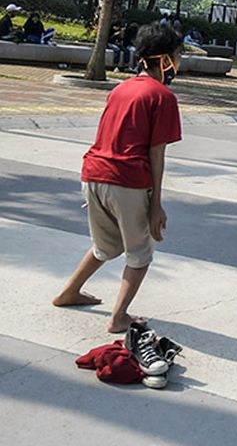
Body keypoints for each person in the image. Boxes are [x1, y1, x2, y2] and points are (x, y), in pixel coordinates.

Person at [51, 24, 184, 334]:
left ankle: (68, 293)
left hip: (93, 174)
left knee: (105, 246)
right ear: (164, 60)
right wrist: (156, 205)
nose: (179, 62)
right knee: (140, 255)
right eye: (177, 56)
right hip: (127, 180)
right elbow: (156, 154)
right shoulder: (162, 96)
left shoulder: (120, 89)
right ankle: (118, 317)